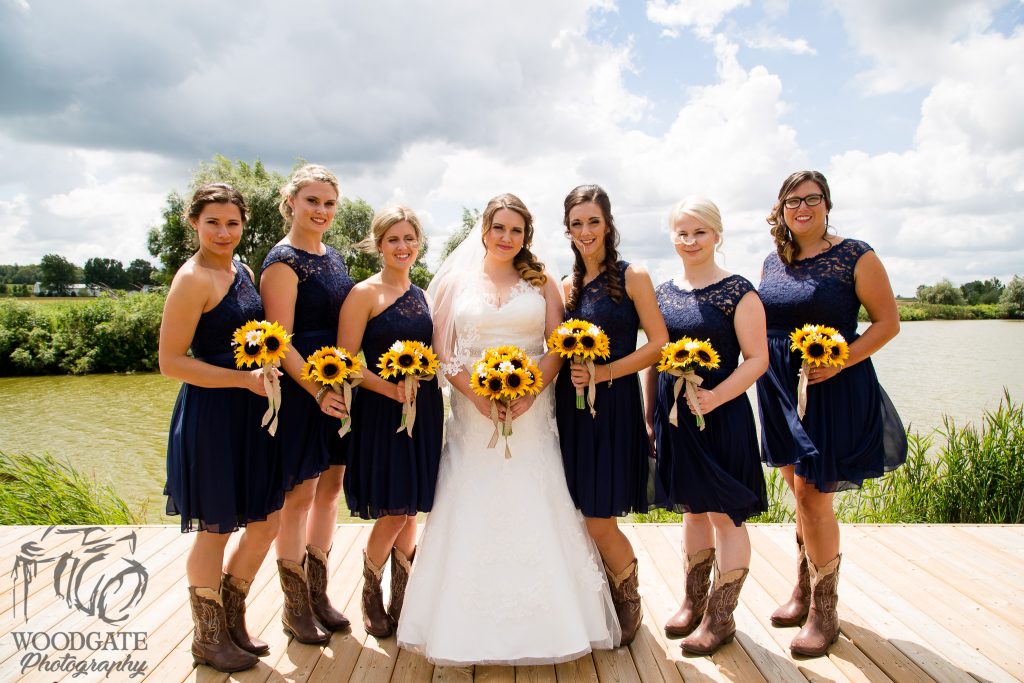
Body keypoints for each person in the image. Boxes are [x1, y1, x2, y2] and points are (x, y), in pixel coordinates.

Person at [397, 193, 620, 664]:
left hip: (530, 411)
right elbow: (442, 351)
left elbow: (557, 346)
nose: (506, 237)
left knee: (533, 498)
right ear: (483, 229)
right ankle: (459, 626)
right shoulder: (456, 283)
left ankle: (553, 625)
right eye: (499, 227)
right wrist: (477, 397)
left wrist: (530, 391)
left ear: (527, 236)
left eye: (516, 230)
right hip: (471, 414)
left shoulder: (541, 284)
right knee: (470, 501)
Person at [756, 170, 906, 657]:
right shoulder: (773, 260)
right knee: (796, 492)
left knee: (813, 496)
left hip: (831, 386)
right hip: (778, 385)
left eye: (812, 199)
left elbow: (888, 323)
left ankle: (825, 609)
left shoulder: (855, 255)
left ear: (827, 204)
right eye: (792, 201)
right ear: (780, 209)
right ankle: (803, 587)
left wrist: (841, 359)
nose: (802, 208)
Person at [161, 183, 284, 672]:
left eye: (232, 222)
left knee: (265, 519)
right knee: (215, 528)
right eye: (213, 221)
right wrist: (243, 380)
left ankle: (233, 621)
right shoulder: (192, 279)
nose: (223, 231)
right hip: (212, 416)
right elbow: (170, 362)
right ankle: (207, 638)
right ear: (194, 223)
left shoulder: (243, 271)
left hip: (251, 413)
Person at [643, 196, 768, 655]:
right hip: (675, 418)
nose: (689, 241)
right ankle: (693, 601)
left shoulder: (739, 292)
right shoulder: (662, 292)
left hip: (722, 415)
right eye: (681, 232)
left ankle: (721, 617)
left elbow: (758, 360)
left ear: (717, 234)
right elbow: (655, 358)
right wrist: (648, 416)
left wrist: (715, 397)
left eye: (699, 232)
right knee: (692, 509)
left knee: (724, 514)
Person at [322, 206, 443, 638]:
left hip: (423, 411)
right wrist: (391, 389)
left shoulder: (426, 295)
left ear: (419, 243)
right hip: (380, 411)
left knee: (410, 508)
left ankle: (403, 596)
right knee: (394, 509)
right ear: (378, 245)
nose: (403, 246)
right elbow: (342, 362)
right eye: (393, 239)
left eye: (410, 238)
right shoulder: (364, 294)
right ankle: (370, 592)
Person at [555, 184, 667, 645]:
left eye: (593, 222)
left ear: (608, 224)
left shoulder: (634, 275)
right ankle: (596, 599)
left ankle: (629, 598)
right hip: (571, 408)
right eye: (576, 223)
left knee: (600, 515)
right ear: (567, 229)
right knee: (578, 511)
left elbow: (659, 343)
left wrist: (607, 373)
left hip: (614, 405)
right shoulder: (565, 286)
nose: (585, 231)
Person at [260, 164, 354, 645]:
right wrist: (316, 391)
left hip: (335, 390)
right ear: (291, 201)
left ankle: (319, 593)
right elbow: (281, 341)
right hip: (301, 394)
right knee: (298, 497)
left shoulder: (333, 258)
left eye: (328, 203)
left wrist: (341, 385)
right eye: (312, 201)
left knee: (331, 488)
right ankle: (294, 607)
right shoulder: (283, 262)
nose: (321, 211)